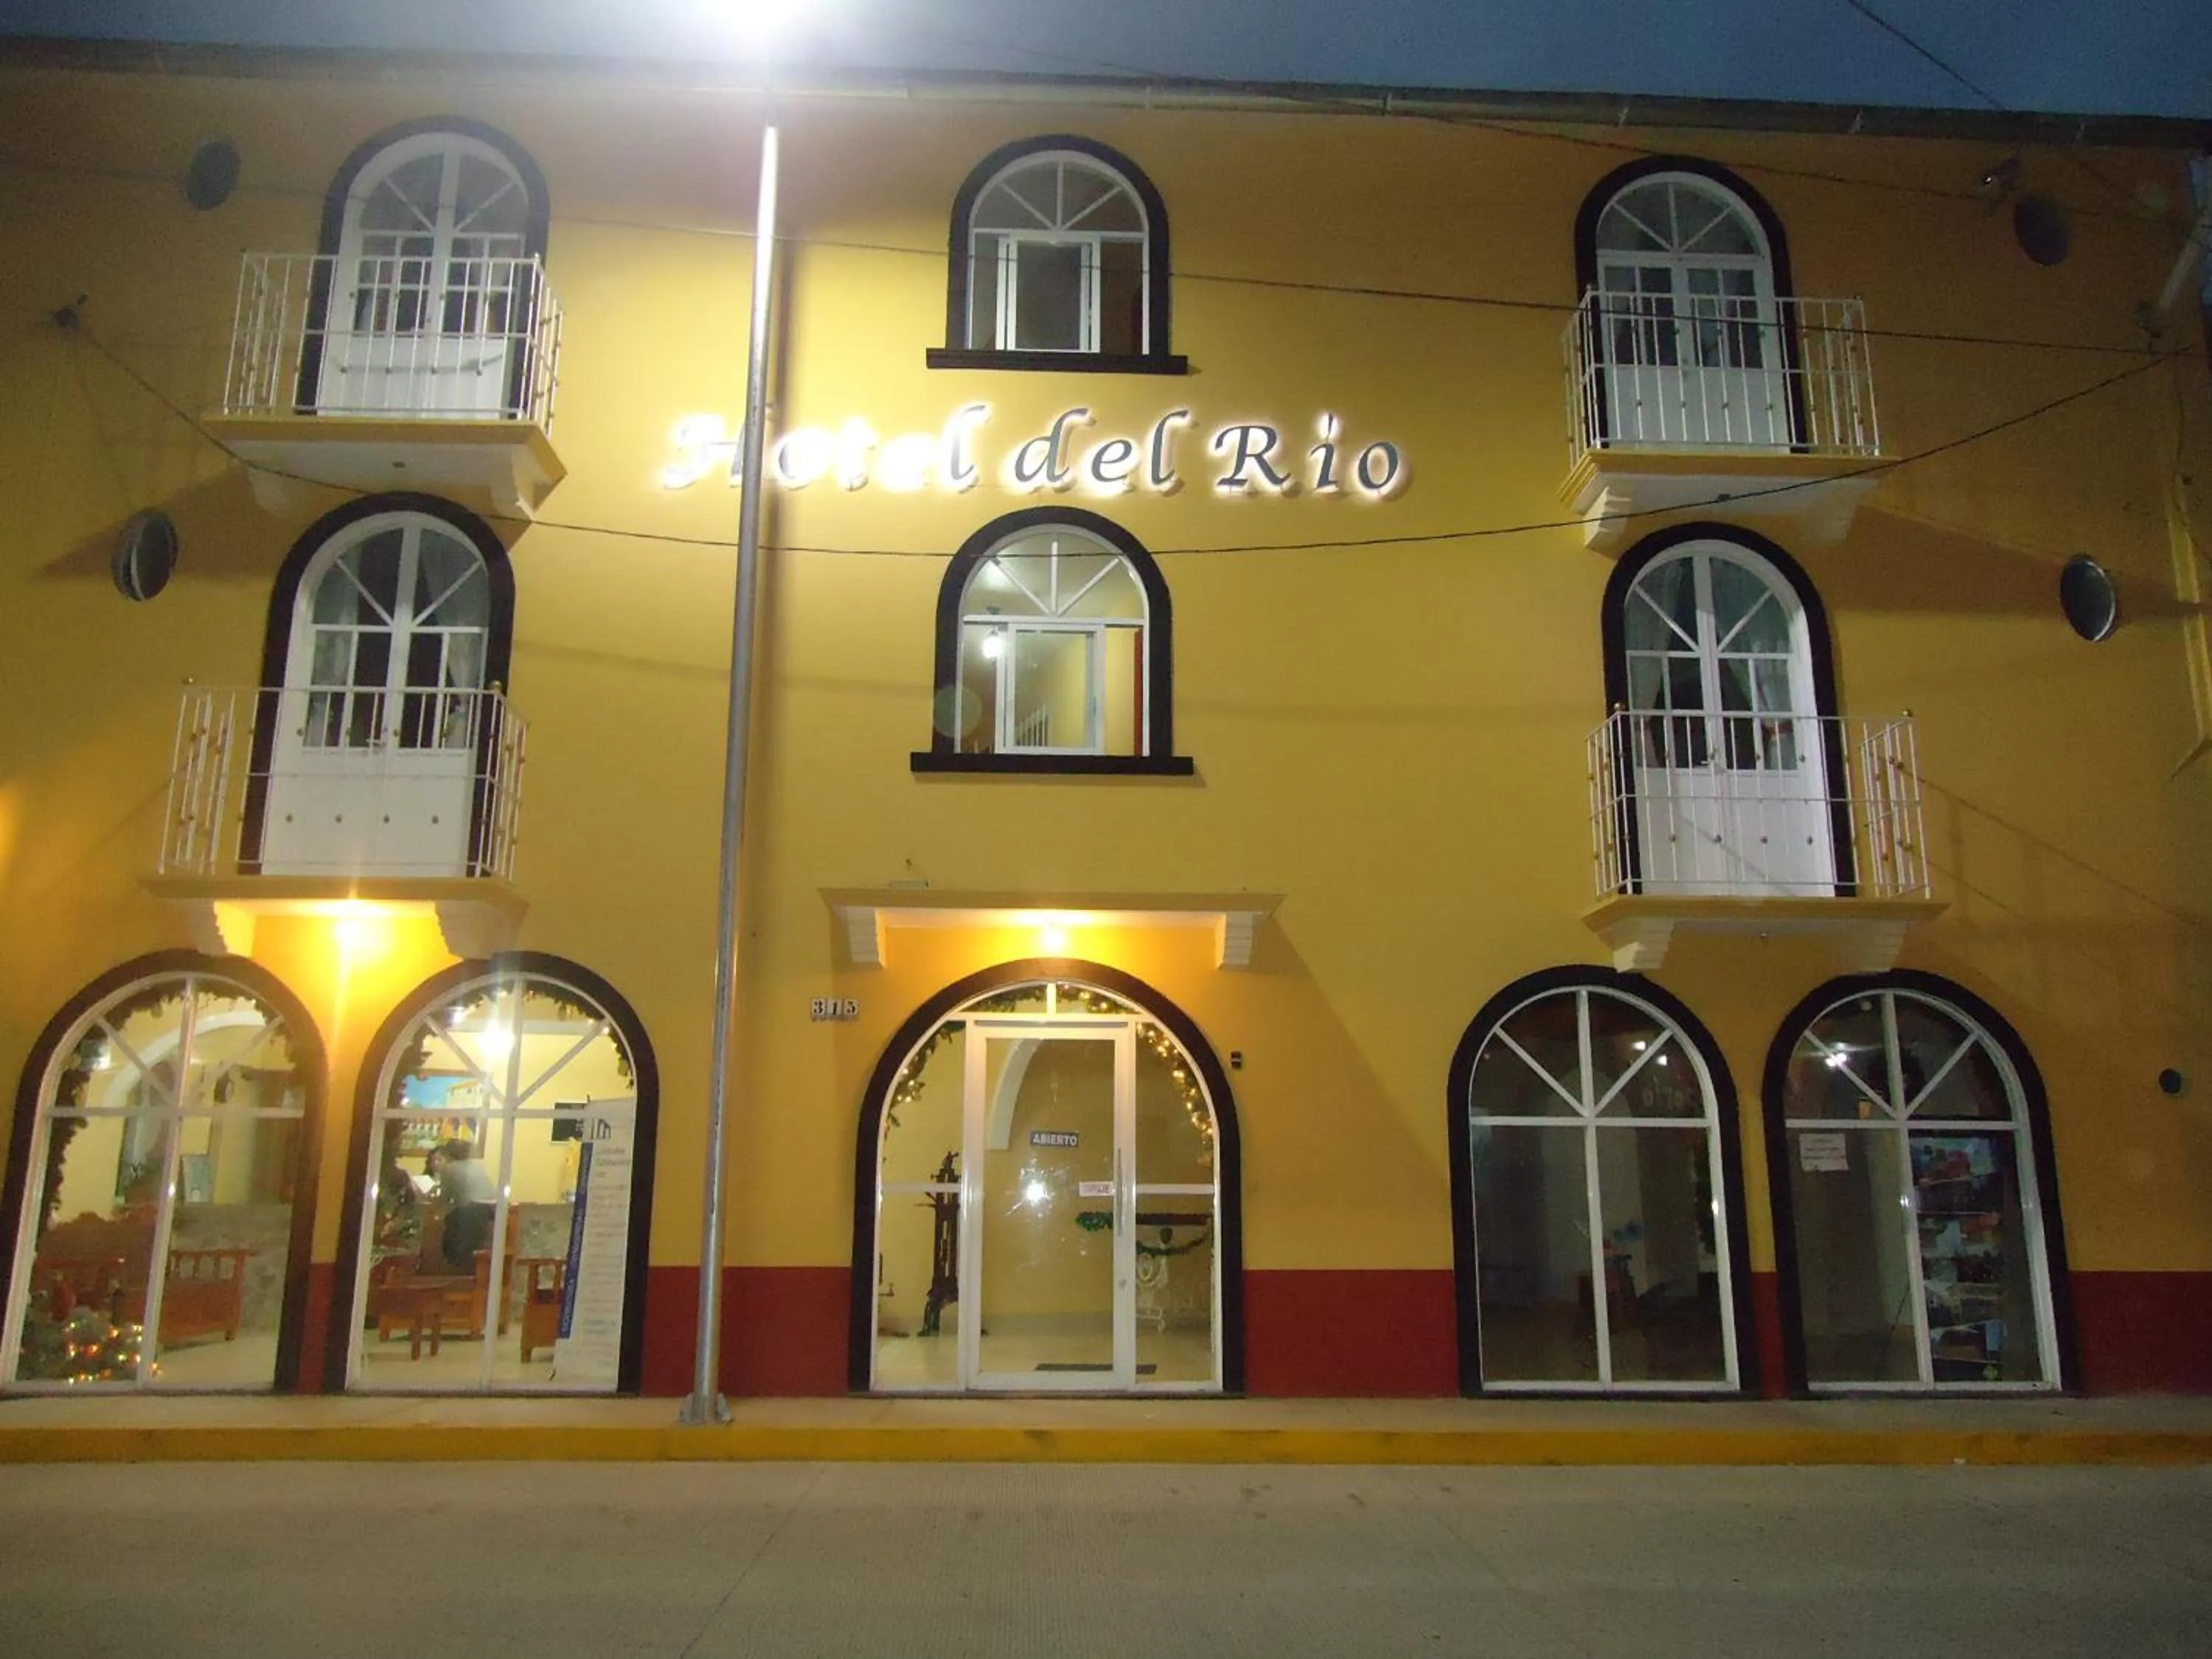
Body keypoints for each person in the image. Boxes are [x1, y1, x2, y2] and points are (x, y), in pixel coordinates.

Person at [426, 1139, 495, 1273]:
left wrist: (437, 1215)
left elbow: (446, 1199)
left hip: (473, 1211)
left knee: (449, 1228)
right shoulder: (477, 1165)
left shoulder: (449, 1168)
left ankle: (453, 1266)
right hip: (493, 1210)